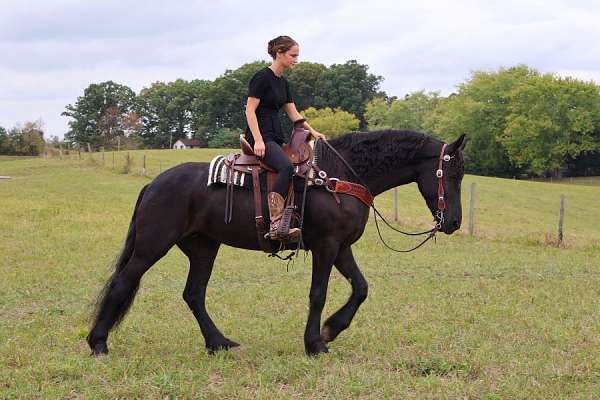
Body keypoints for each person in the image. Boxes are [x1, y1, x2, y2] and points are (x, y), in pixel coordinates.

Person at [245, 35, 325, 242]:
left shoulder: (283, 82)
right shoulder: (261, 77)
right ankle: (276, 222)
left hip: (276, 136)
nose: (296, 60)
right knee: (286, 168)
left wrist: (313, 132)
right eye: (293, 55)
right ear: (279, 54)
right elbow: (250, 111)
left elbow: (293, 114)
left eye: (297, 56)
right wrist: (259, 140)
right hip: (261, 136)